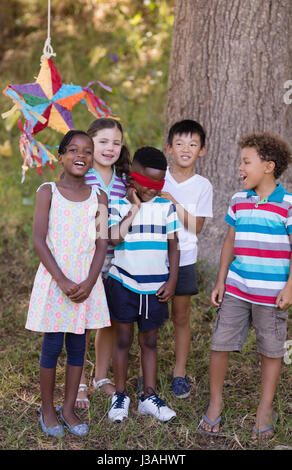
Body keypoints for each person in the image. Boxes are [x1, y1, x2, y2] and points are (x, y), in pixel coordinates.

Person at [198, 132, 292, 440]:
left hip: (272, 294)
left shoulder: (288, 204)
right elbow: (229, 241)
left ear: (268, 166)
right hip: (237, 288)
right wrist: (221, 280)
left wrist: (289, 287)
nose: (240, 168)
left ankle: (265, 409)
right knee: (220, 343)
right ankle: (215, 402)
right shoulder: (239, 200)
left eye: (246, 162)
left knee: (271, 349)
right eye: (241, 162)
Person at [26, 130, 110, 437]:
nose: (81, 155)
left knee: (78, 346)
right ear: (60, 156)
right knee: (52, 346)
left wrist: (89, 281)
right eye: (73, 150)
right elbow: (38, 238)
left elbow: (102, 243)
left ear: (92, 159)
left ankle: (69, 407)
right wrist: (61, 279)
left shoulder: (99, 197)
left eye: (87, 151)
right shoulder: (48, 191)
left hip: (86, 282)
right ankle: (48, 409)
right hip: (56, 280)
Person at [106, 147, 180, 422]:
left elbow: (174, 245)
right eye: (147, 184)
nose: (152, 190)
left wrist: (172, 280)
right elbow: (114, 239)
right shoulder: (117, 206)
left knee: (150, 341)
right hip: (123, 283)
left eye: (158, 185)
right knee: (123, 340)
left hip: (156, 287)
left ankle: (148, 397)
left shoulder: (166, 207)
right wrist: (134, 209)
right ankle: (120, 395)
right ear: (133, 178)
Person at [75, 118, 130, 408]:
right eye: (103, 142)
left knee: (106, 320)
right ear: (90, 143)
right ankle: (80, 379)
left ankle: (100, 376)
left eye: (116, 143)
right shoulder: (83, 178)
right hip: (86, 260)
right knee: (83, 322)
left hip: (116, 262)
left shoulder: (123, 183)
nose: (110, 148)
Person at [159, 119, 213, 398]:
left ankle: (179, 372)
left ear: (202, 151)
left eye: (193, 144)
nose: (185, 149)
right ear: (169, 148)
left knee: (181, 315)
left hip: (185, 258)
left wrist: (173, 202)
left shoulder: (202, 186)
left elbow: (198, 226)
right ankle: (148, 370)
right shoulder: (159, 177)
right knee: (151, 316)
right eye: (179, 143)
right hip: (154, 256)